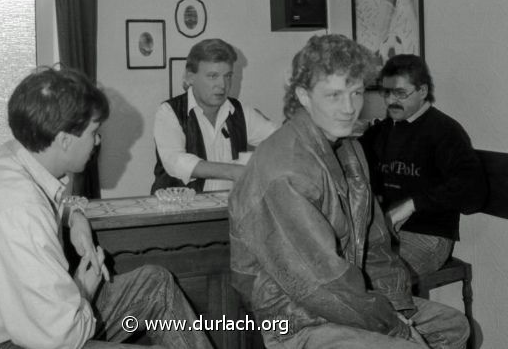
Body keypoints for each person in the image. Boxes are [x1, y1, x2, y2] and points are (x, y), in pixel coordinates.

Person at [0, 66, 212, 349]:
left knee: (156, 283)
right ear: (64, 140)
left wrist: (75, 217)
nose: (98, 141)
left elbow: (52, 199)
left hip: (27, 324)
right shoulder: (16, 209)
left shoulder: (15, 155)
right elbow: (58, 337)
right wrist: (84, 290)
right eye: (94, 132)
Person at [228, 34, 469, 348]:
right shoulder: (285, 170)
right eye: (333, 95)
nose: (349, 108)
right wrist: (394, 327)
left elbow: (375, 244)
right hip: (294, 317)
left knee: (454, 327)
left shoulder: (348, 147)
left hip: (344, 301)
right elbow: (319, 285)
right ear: (303, 95)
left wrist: (397, 306)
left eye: (356, 93)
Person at [359, 54, 487, 277]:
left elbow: (473, 190)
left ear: (423, 91)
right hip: (384, 231)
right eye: (386, 93)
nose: (390, 101)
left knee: (375, 279)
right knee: (334, 271)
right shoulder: (383, 129)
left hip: (428, 235)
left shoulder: (445, 131)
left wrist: (412, 204)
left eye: (400, 93)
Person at [151, 38, 277, 193]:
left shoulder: (241, 112)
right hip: (179, 214)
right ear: (190, 77)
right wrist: (233, 171)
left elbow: (281, 140)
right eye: (213, 76)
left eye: (228, 76)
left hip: (229, 212)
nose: (222, 85)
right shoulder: (169, 112)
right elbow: (176, 162)